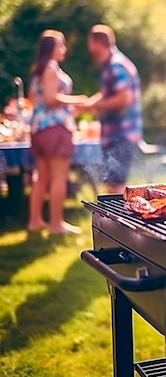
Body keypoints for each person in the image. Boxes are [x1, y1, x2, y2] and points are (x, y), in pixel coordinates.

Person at [28, 30, 88, 234]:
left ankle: (35, 222)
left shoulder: (38, 70)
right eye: (61, 45)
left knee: (42, 176)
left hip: (38, 129)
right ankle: (56, 224)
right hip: (55, 129)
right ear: (53, 48)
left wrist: (69, 108)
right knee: (59, 177)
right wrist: (77, 99)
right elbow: (52, 99)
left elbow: (36, 102)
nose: (64, 49)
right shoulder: (52, 68)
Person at [85, 24, 142, 194]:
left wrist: (95, 105)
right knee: (112, 184)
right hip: (118, 134)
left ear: (96, 43)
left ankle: (117, 220)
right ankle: (115, 219)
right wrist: (87, 105)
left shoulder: (116, 65)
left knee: (115, 187)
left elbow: (124, 98)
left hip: (121, 134)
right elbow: (107, 94)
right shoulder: (113, 63)